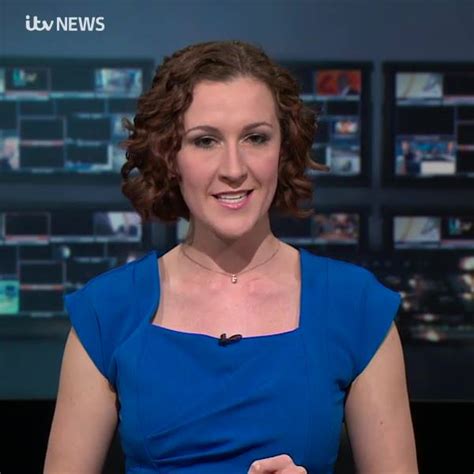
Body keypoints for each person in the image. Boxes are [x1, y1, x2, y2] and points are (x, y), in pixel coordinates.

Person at [44, 40, 418, 473]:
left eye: (256, 138)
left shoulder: (356, 307)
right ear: (170, 155)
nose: (234, 168)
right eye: (205, 141)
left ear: (284, 149)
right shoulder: (107, 310)